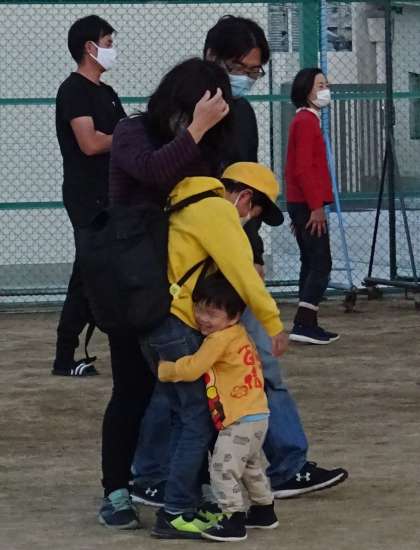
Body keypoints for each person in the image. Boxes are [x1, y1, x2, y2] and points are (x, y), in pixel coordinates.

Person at [132, 16, 348, 507]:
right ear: (213, 57)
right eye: (240, 68)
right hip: (198, 277)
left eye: (254, 70)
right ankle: (157, 476)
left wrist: (251, 251)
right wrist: (267, 308)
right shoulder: (175, 120)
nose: (247, 78)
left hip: (225, 261)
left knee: (242, 371)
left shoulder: (241, 117)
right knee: (194, 379)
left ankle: (282, 463)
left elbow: (244, 195)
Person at [98, 58, 233, 530]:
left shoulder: (203, 146)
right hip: (133, 281)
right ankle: (117, 490)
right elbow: (154, 173)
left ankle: (187, 490)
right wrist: (195, 130)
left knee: (193, 394)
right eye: (197, 109)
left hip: (183, 286)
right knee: (132, 389)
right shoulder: (131, 131)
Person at [140, 162, 288, 540]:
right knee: (197, 420)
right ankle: (176, 510)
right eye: (255, 212)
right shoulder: (217, 210)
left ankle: (184, 501)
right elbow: (242, 272)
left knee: (182, 416)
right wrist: (272, 321)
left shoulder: (185, 202)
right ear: (245, 197)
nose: (249, 219)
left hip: (156, 317)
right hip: (177, 321)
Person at [158, 274, 279, 542]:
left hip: (238, 418)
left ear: (234, 316)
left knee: (222, 468)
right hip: (258, 414)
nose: (202, 318)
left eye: (211, 314)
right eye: (199, 309)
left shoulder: (219, 339)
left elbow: (194, 368)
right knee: (249, 466)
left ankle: (233, 518)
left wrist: (166, 370)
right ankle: (264, 510)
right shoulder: (240, 334)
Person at [52, 15, 126, 377]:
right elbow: (90, 143)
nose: (112, 50)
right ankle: (65, 355)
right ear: (89, 47)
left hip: (111, 196)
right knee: (88, 275)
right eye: (108, 43)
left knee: (90, 273)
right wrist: (124, 138)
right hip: (88, 199)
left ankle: (66, 354)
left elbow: (125, 134)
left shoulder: (107, 93)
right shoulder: (74, 91)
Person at [286, 68, 339, 345]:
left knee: (310, 260)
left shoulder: (304, 120)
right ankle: (304, 323)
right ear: (305, 90)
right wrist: (316, 207)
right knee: (321, 262)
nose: (325, 90)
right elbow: (304, 169)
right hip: (307, 204)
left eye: (326, 85)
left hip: (301, 203)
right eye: (320, 85)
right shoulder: (306, 121)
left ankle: (306, 321)